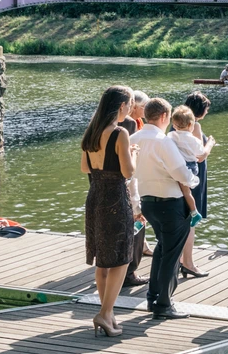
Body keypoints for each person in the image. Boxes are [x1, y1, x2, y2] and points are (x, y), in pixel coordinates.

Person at [133, 98, 199, 320]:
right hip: (171, 204)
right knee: (171, 255)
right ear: (163, 116)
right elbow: (181, 174)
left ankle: (153, 297)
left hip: (147, 203)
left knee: (162, 249)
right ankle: (164, 304)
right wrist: (195, 180)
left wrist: (136, 206)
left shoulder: (133, 138)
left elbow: (129, 177)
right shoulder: (163, 141)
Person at [81, 85, 137, 337]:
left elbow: (85, 168)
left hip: (95, 196)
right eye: (131, 104)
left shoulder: (91, 132)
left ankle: (108, 314)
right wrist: (132, 155)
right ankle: (104, 314)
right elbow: (128, 172)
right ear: (122, 106)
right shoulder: (120, 133)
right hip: (115, 198)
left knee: (103, 260)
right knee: (121, 259)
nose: (131, 109)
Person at [177, 92, 216, 277]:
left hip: (180, 175)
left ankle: (180, 260)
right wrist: (211, 143)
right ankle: (188, 263)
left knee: (182, 218)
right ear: (200, 109)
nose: (207, 111)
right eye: (206, 108)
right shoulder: (196, 126)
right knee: (191, 220)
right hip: (194, 176)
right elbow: (200, 155)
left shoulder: (176, 125)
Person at [114, 101, 148, 285]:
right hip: (126, 195)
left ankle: (114, 272)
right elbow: (130, 176)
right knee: (135, 232)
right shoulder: (124, 133)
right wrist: (133, 153)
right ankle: (129, 274)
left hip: (103, 193)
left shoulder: (96, 134)